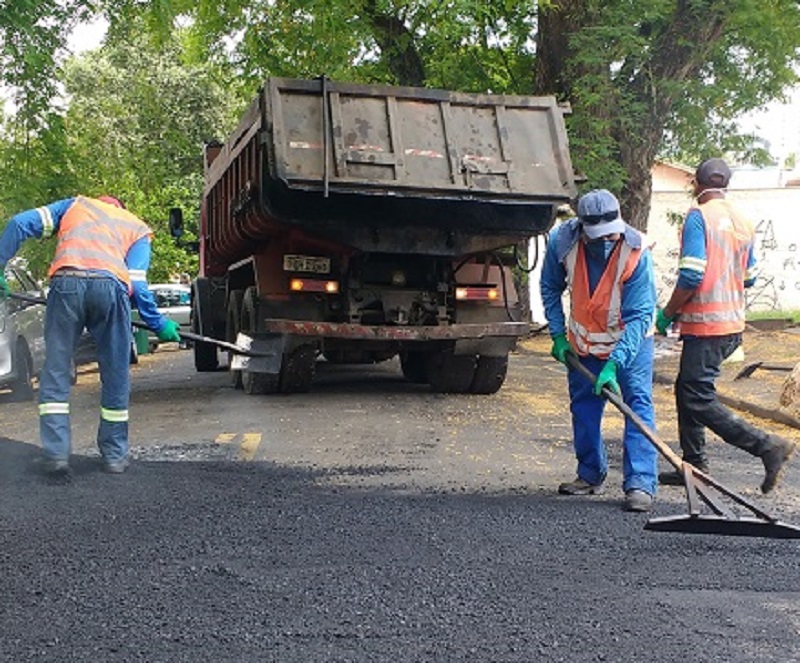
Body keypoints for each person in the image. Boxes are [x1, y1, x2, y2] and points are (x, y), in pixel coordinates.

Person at [0, 195, 181, 477]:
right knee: (115, 372)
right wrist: (158, 324)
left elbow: (18, 223)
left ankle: (56, 456)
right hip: (111, 289)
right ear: (121, 208)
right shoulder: (136, 228)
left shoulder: (75, 206)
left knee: (57, 370)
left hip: (66, 284)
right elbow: (136, 283)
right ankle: (114, 457)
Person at [656, 158, 795, 492]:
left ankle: (767, 445)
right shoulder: (744, 220)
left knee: (697, 397)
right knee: (687, 389)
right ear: (726, 184)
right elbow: (750, 278)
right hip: (731, 323)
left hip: (707, 326)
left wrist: (668, 312)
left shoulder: (699, 217)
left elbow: (691, 274)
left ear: (696, 184)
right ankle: (695, 463)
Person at [540, 189, 659, 512]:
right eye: (598, 237)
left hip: (630, 345)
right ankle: (590, 473)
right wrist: (557, 335)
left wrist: (614, 364)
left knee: (636, 406)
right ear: (583, 229)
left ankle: (640, 483)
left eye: (611, 235)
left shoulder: (636, 253)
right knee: (584, 408)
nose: (606, 242)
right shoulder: (562, 244)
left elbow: (638, 316)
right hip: (584, 344)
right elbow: (550, 287)